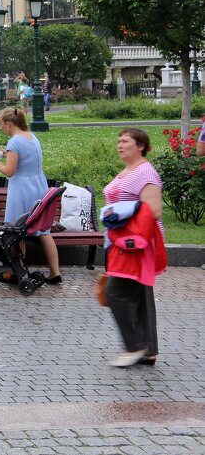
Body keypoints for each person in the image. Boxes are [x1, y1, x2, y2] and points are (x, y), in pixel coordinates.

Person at [102, 128, 165, 366]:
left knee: (115, 292)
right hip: (122, 240)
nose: (120, 144)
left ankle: (135, 346)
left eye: (125, 141)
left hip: (136, 243)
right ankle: (149, 349)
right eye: (118, 140)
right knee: (139, 292)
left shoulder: (145, 172)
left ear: (140, 146)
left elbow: (155, 210)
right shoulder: (130, 170)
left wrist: (119, 213)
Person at [0, 108, 60, 283]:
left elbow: (9, 171)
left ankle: (20, 272)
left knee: (16, 231)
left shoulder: (14, 142)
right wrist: (3, 152)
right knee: (43, 231)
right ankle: (55, 273)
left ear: (8, 124)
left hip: (22, 189)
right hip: (38, 185)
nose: (1, 127)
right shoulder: (31, 137)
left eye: (1, 124)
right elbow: (24, 157)